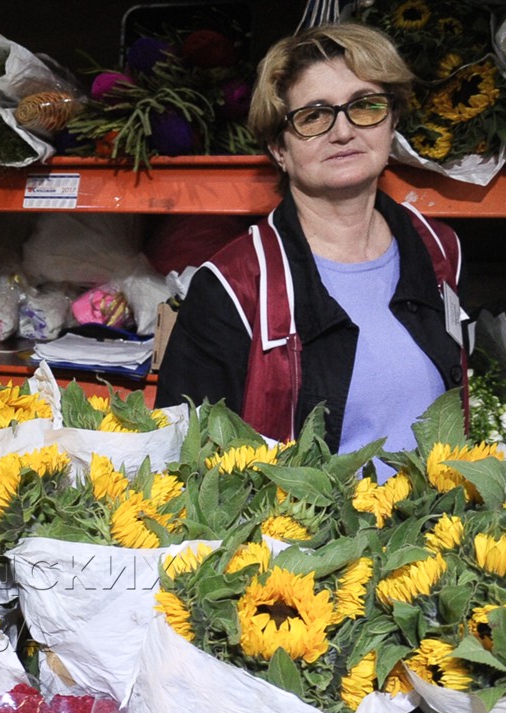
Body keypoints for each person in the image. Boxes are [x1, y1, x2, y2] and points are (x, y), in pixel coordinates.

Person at [156, 23, 471, 450]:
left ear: (392, 120)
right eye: (314, 116)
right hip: (303, 517)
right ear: (279, 149)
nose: (343, 132)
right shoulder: (234, 287)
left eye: (365, 106)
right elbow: (183, 455)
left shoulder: (438, 249)